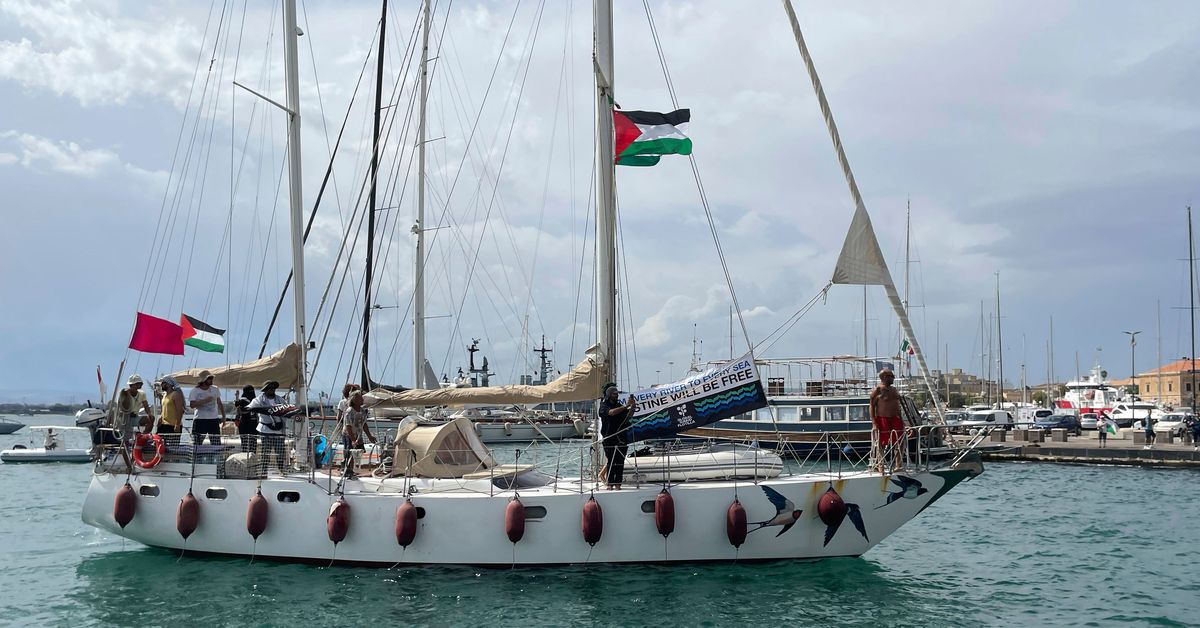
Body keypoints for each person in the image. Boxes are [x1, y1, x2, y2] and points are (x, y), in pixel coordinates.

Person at [597, 383, 636, 490]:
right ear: (609, 394)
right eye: (614, 393)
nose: (616, 395)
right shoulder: (603, 405)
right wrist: (626, 406)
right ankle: (610, 484)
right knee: (611, 461)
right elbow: (611, 413)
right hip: (609, 437)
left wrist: (632, 407)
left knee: (620, 462)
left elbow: (628, 417)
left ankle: (618, 484)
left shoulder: (619, 405)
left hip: (621, 437)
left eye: (617, 393)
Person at [249, 380, 288, 474]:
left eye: (273, 388)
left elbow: (287, 412)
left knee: (280, 452)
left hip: (279, 431)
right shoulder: (258, 400)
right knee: (265, 452)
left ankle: (281, 470)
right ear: (265, 390)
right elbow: (250, 408)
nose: (272, 390)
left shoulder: (281, 400)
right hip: (265, 430)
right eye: (270, 388)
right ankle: (263, 471)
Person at [869, 369, 905, 473]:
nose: (893, 378)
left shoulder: (894, 389)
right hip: (883, 418)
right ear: (884, 377)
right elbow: (871, 406)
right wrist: (874, 423)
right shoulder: (878, 390)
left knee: (899, 441)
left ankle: (898, 464)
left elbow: (898, 405)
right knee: (881, 442)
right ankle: (880, 464)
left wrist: (902, 420)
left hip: (895, 419)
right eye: (891, 376)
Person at [339, 391, 376, 479]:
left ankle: (352, 469)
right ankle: (348, 471)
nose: (362, 399)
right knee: (350, 452)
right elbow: (348, 426)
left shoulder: (363, 411)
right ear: (354, 400)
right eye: (360, 398)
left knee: (358, 452)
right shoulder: (350, 411)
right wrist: (352, 439)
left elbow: (364, 425)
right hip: (349, 435)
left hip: (358, 435)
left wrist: (369, 436)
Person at [188, 371, 227, 447]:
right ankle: (196, 458)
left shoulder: (215, 389)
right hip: (200, 420)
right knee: (197, 443)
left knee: (216, 443)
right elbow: (192, 405)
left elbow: (219, 403)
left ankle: (216, 458)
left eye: (212, 378)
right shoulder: (195, 391)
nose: (211, 380)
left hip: (213, 419)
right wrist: (204, 401)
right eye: (209, 378)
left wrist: (224, 416)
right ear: (203, 380)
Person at [116, 374, 154, 444]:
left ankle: (142, 438)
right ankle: (125, 447)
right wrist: (127, 395)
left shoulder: (142, 394)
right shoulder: (123, 393)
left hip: (135, 417)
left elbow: (146, 406)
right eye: (139, 383)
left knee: (151, 419)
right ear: (134, 384)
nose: (141, 385)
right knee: (125, 441)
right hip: (125, 419)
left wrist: (149, 414)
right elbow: (124, 408)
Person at [158, 377, 185, 447]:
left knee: (174, 448)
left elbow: (180, 410)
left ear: (168, 384)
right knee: (160, 446)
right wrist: (160, 418)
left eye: (163, 383)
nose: (161, 385)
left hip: (173, 426)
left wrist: (177, 424)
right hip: (163, 425)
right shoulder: (164, 395)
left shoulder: (175, 395)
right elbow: (164, 409)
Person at [234, 385, 258, 453]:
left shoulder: (245, 399)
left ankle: (248, 458)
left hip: (246, 424)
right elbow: (238, 406)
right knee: (252, 443)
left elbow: (237, 406)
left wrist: (237, 396)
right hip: (251, 424)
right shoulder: (255, 400)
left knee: (246, 443)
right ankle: (250, 458)